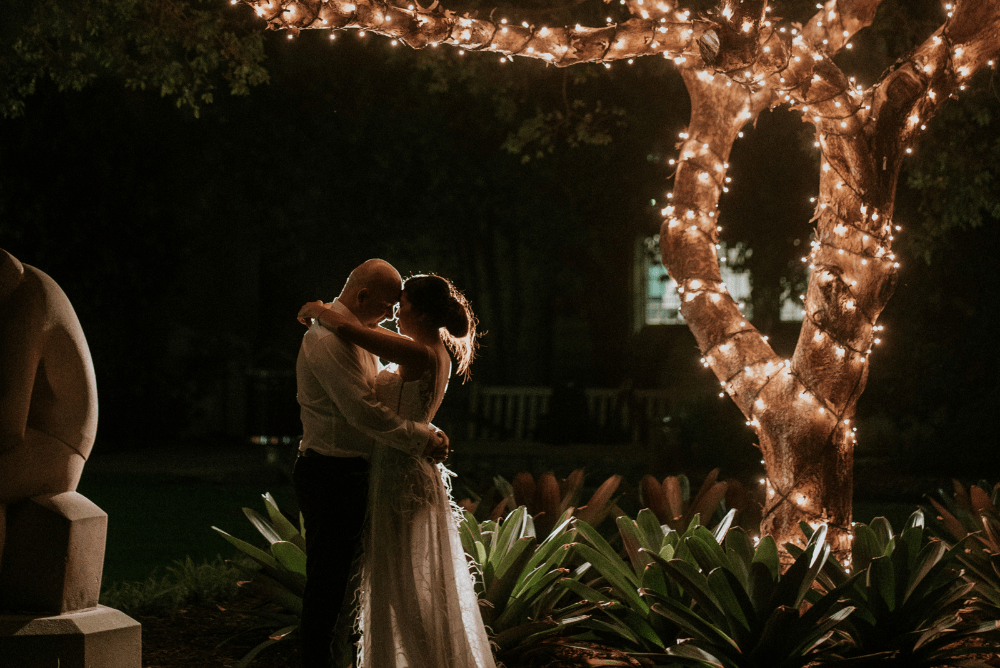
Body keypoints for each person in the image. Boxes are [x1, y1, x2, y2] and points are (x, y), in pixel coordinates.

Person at [297, 272, 496, 668]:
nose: (391, 315)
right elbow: (385, 407)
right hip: (382, 471)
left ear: (419, 314)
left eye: (399, 306)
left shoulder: (412, 351)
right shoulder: (424, 349)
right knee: (396, 579)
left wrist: (322, 311)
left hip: (397, 476)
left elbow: (347, 328)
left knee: (400, 581)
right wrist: (426, 433)